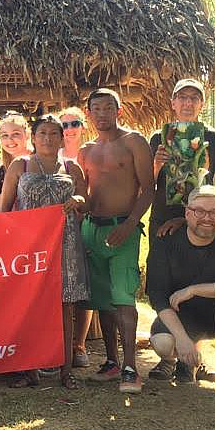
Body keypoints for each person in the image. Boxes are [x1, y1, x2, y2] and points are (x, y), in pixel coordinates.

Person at [1, 115, 89, 389]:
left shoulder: (72, 167)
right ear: (33, 137)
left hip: (65, 243)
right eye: (42, 133)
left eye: (54, 133)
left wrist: (77, 199)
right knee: (30, 305)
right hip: (30, 247)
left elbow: (86, 204)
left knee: (65, 305)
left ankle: (66, 368)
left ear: (62, 138)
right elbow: (5, 209)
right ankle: (29, 369)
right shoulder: (20, 165)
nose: (48, 139)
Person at [77, 88, 154, 394]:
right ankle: (111, 362)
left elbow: (149, 188)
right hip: (91, 230)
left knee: (123, 298)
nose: (102, 114)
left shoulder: (133, 141)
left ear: (119, 111)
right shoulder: (85, 151)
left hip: (123, 228)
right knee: (102, 300)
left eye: (109, 108)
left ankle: (131, 368)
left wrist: (131, 224)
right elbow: (84, 193)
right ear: (89, 114)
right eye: (96, 109)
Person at [145, 186, 215, 399]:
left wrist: (193, 290)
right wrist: (183, 339)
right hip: (181, 317)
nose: (207, 218)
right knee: (163, 343)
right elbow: (157, 296)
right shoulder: (165, 243)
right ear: (187, 213)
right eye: (200, 211)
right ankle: (183, 360)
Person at [149, 79, 215, 239]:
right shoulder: (158, 138)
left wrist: (206, 205)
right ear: (173, 103)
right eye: (182, 97)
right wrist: (156, 165)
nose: (188, 102)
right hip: (163, 218)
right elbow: (145, 186)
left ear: (202, 104)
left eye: (194, 98)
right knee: (160, 263)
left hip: (202, 220)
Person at [59, 105, 94, 368]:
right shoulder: (52, 155)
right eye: (64, 125)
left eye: (74, 124)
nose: (69, 129)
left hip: (87, 222)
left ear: (83, 126)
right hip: (59, 230)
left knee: (84, 285)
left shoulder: (92, 152)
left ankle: (79, 344)